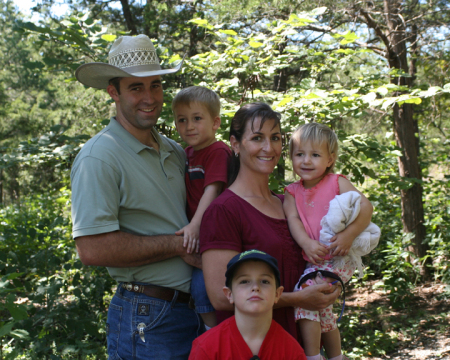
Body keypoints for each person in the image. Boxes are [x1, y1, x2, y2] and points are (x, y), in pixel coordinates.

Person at [71, 34, 203, 360]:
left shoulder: (175, 151)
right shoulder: (99, 157)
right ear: (112, 92)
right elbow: (91, 248)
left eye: (155, 86)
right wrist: (178, 245)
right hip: (147, 314)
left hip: (197, 312)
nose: (149, 97)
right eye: (136, 88)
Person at [199, 102, 341, 345]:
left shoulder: (290, 203)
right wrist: (300, 299)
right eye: (257, 138)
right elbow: (221, 298)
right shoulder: (223, 211)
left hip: (302, 345)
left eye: (275, 138)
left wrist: (329, 284)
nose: (268, 147)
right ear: (235, 144)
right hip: (254, 346)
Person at [283, 123, 377, 360]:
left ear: (329, 159)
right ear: (291, 157)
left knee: (306, 294)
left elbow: (366, 206)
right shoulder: (292, 191)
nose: (306, 161)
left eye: (315, 155)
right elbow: (293, 219)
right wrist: (305, 242)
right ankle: (336, 356)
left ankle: (312, 356)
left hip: (339, 256)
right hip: (315, 258)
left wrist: (349, 235)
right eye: (299, 154)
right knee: (323, 310)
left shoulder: (337, 182)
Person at [172, 86, 231, 329]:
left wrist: (195, 225)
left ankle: (213, 333)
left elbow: (213, 189)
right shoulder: (186, 153)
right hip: (199, 234)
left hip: (215, 232)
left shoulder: (218, 151)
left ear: (215, 122)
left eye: (197, 118)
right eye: (182, 120)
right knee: (197, 286)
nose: (189, 126)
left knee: (202, 285)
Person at [189, 249, 307, 360]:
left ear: (277, 293)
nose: (255, 287)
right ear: (229, 294)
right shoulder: (206, 347)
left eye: (265, 281)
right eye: (244, 281)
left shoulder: (293, 352)